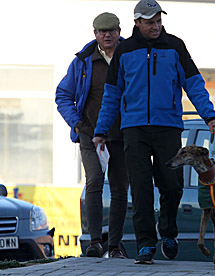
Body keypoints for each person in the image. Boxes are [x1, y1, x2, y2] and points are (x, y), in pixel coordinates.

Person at [92, 0, 215, 265]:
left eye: (159, 21)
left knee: (171, 186)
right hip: (134, 129)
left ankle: (169, 232)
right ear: (137, 22)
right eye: (150, 22)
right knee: (140, 189)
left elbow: (194, 83)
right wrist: (101, 129)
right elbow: (112, 94)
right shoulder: (125, 50)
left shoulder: (175, 46)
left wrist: (209, 114)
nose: (156, 26)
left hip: (168, 126)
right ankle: (146, 245)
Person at [55, 12, 129, 259]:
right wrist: (76, 124)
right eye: (102, 31)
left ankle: (115, 246)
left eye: (112, 31)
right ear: (95, 34)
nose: (107, 35)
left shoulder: (131, 56)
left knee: (120, 188)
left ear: (119, 32)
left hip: (122, 135)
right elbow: (63, 95)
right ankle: (95, 242)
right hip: (89, 134)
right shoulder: (83, 61)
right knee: (94, 181)